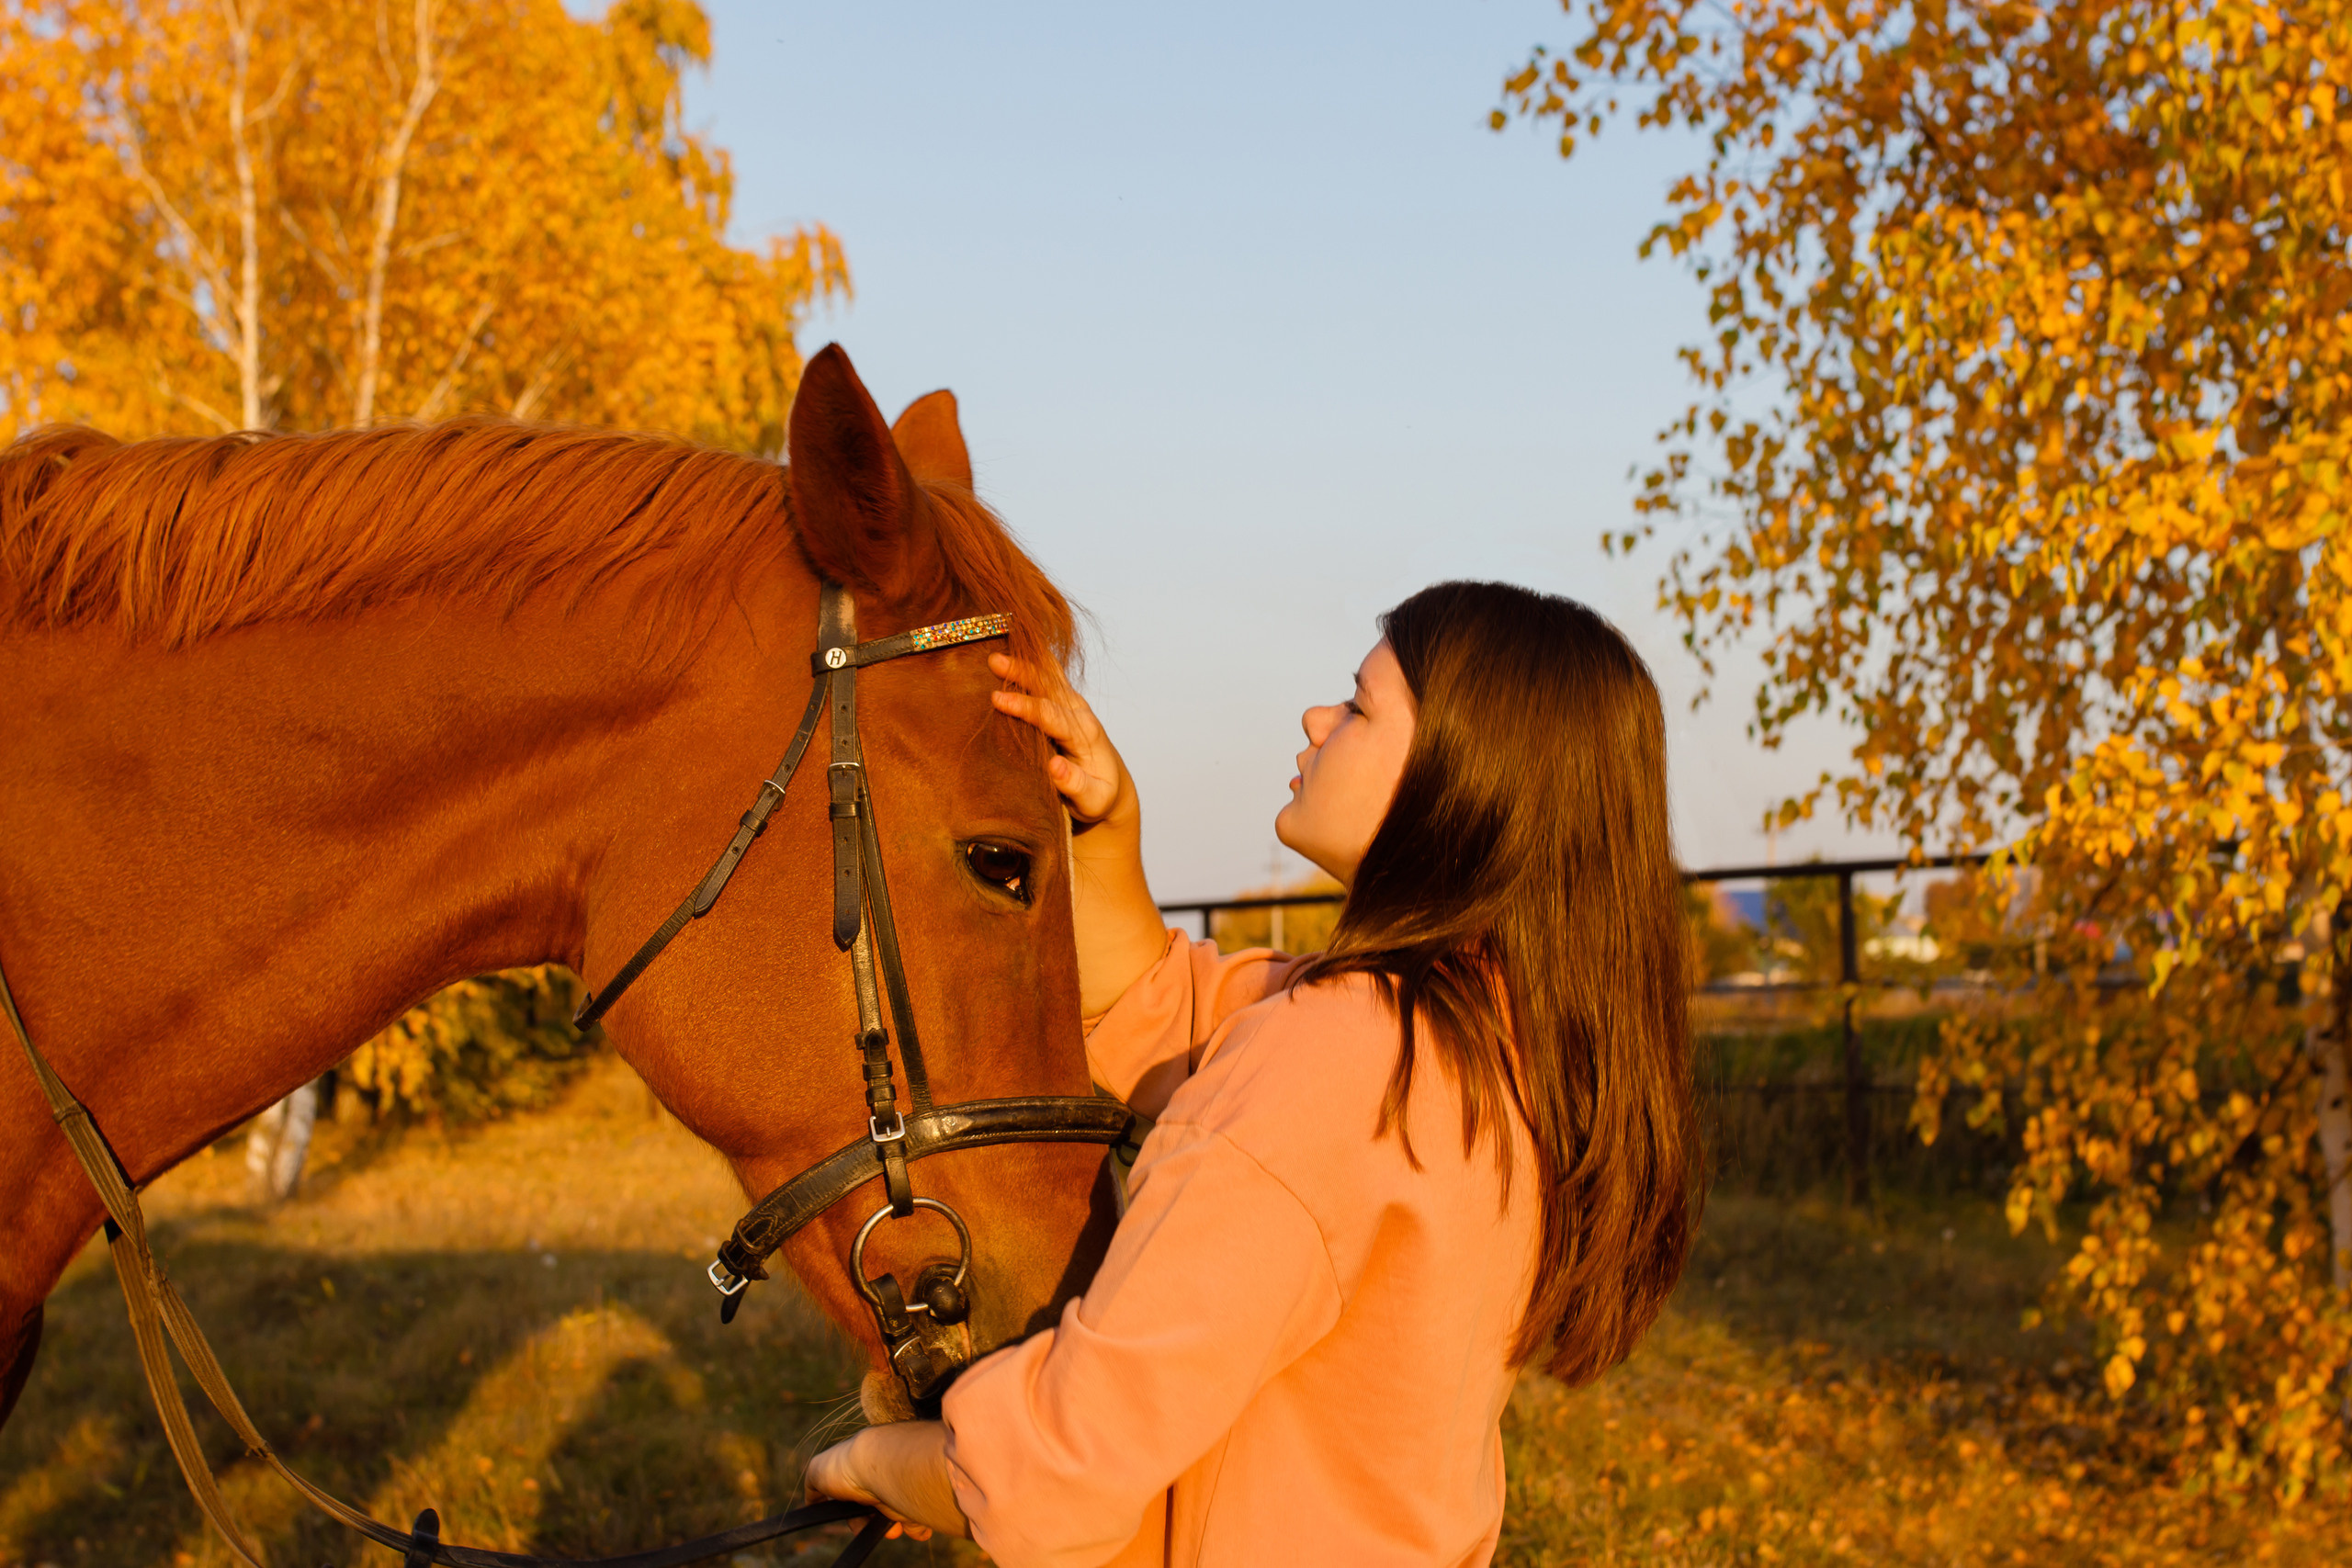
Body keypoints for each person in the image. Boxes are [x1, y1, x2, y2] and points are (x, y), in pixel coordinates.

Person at [807, 580, 1701, 1565]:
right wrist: (1108, 822)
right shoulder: (1491, 1038)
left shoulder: (1339, 1054)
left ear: (1462, 782)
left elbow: (1062, 1467)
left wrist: (872, 1463)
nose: (1318, 718)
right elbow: (1166, 1014)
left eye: (1359, 706)